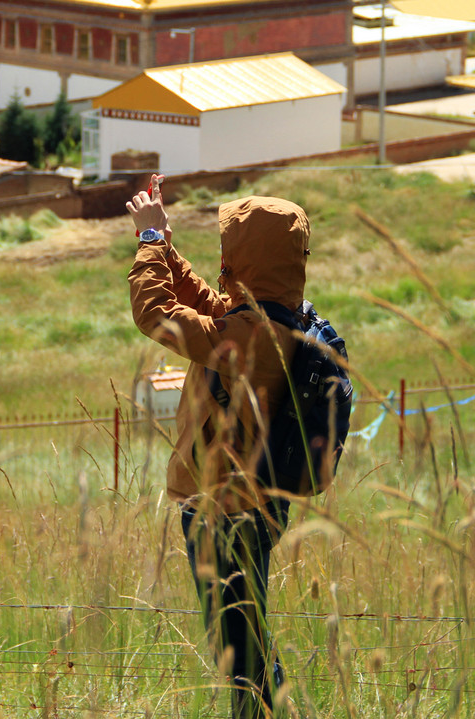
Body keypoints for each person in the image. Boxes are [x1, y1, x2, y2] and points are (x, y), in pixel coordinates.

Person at [127, 174, 312, 719]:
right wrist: (164, 238)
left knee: (238, 651)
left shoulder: (251, 337)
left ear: (246, 258)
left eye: (230, 251)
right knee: (244, 637)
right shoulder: (274, 321)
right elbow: (205, 301)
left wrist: (150, 245)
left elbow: (157, 315)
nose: (223, 262)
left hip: (225, 512)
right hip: (247, 503)